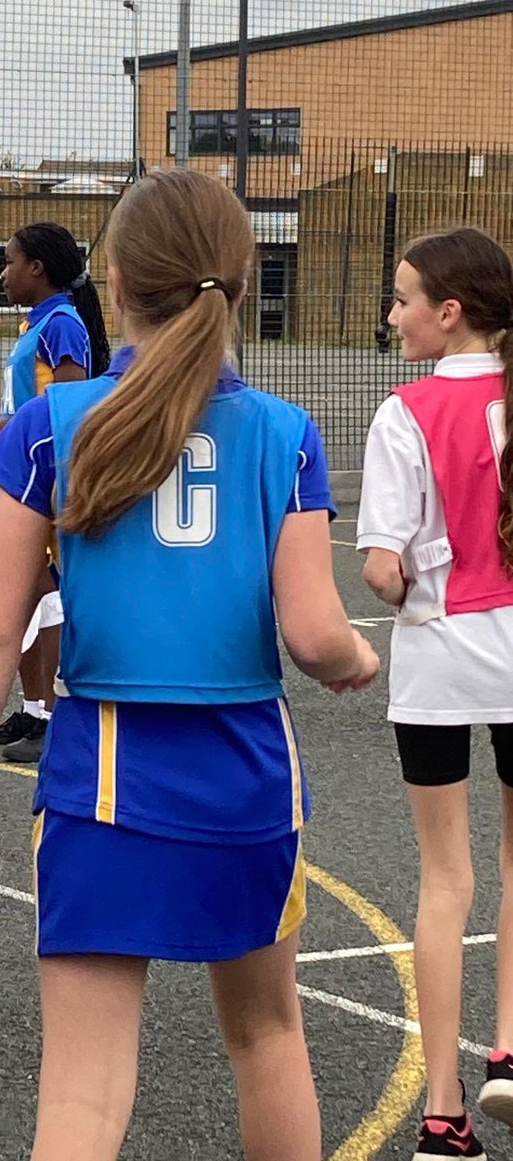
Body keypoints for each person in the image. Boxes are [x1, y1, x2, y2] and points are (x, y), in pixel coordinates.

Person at [0, 169, 379, 1161]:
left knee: (84, 1096)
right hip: (244, 771)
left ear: (116, 280)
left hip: (105, 773)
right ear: (237, 282)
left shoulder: (52, 426)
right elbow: (313, 635)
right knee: (267, 1039)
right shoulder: (284, 434)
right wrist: (361, 658)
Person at [358, 226, 513, 1160]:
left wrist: (414, 574)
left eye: (404, 296)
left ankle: (445, 1115)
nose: (393, 312)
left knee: (444, 879)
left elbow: (381, 571)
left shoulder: (403, 414)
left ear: (449, 312)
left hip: (439, 659)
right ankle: (512, 1056)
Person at [0, 222, 110, 764]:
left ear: (37, 269)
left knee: (41, 593)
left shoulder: (64, 325)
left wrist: (7, 432)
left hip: (53, 476)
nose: (2, 274)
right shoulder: (38, 323)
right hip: (27, 471)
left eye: (8, 262)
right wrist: (5, 424)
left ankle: (53, 714)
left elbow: (72, 405)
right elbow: (36, 400)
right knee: (24, 594)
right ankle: (33, 706)